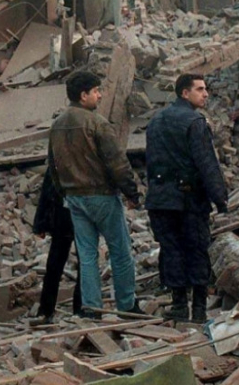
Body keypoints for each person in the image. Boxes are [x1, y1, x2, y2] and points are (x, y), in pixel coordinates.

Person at [48, 71, 143, 318]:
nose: (100, 95)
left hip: (74, 198)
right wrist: (132, 193)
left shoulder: (57, 125)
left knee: (87, 255)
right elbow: (117, 163)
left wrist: (64, 192)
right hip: (101, 195)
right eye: (96, 91)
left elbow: (53, 166)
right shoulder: (98, 123)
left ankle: (91, 308)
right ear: (84, 95)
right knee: (120, 251)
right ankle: (127, 306)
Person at [145, 74, 228, 322]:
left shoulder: (156, 120)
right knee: (197, 249)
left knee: (171, 250)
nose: (206, 94)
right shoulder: (195, 122)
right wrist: (220, 199)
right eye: (200, 89)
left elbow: (151, 161)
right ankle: (199, 310)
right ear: (184, 93)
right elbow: (207, 164)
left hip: (161, 199)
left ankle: (179, 305)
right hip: (189, 199)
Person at [31, 167, 82, 325]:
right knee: (56, 265)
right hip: (65, 216)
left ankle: (79, 309)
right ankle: (49, 310)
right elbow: (48, 188)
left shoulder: (61, 158)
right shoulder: (58, 159)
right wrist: (40, 223)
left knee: (82, 264)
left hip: (78, 214)